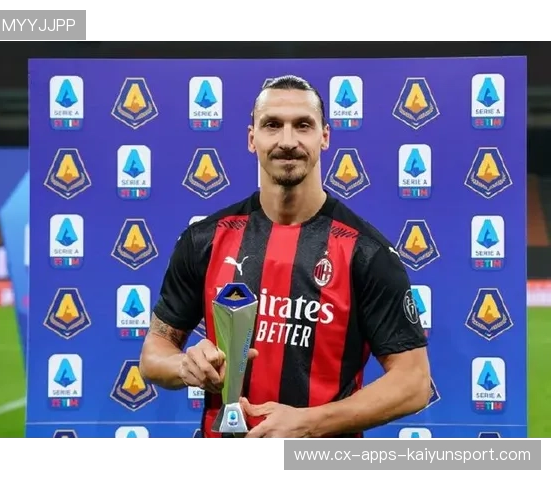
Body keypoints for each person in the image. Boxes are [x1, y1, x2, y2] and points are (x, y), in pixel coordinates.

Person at [139, 75, 431, 439]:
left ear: (325, 136)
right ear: (252, 138)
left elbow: (414, 382)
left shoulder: (365, 252)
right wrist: (185, 366)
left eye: (303, 125)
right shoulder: (205, 240)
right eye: (272, 125)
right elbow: (154, 353)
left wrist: (310, 423)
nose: (288, 141)